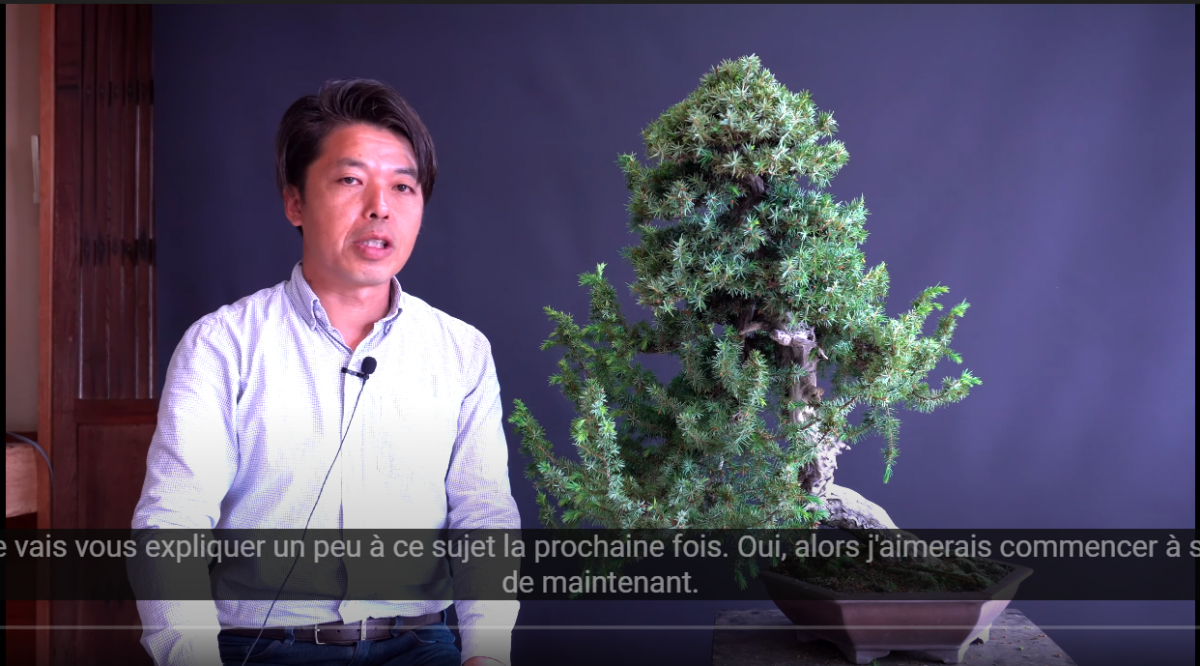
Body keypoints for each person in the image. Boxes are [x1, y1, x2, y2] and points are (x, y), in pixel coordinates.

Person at [133, 79, 520, 666]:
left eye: (403, 186)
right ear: (295, 202)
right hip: (264, 648)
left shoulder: (461, 351)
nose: (380, 207)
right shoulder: (223, 344)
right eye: (350, 180)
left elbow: (484, 517)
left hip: (420, 646)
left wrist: (487, 652)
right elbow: (171, 523)